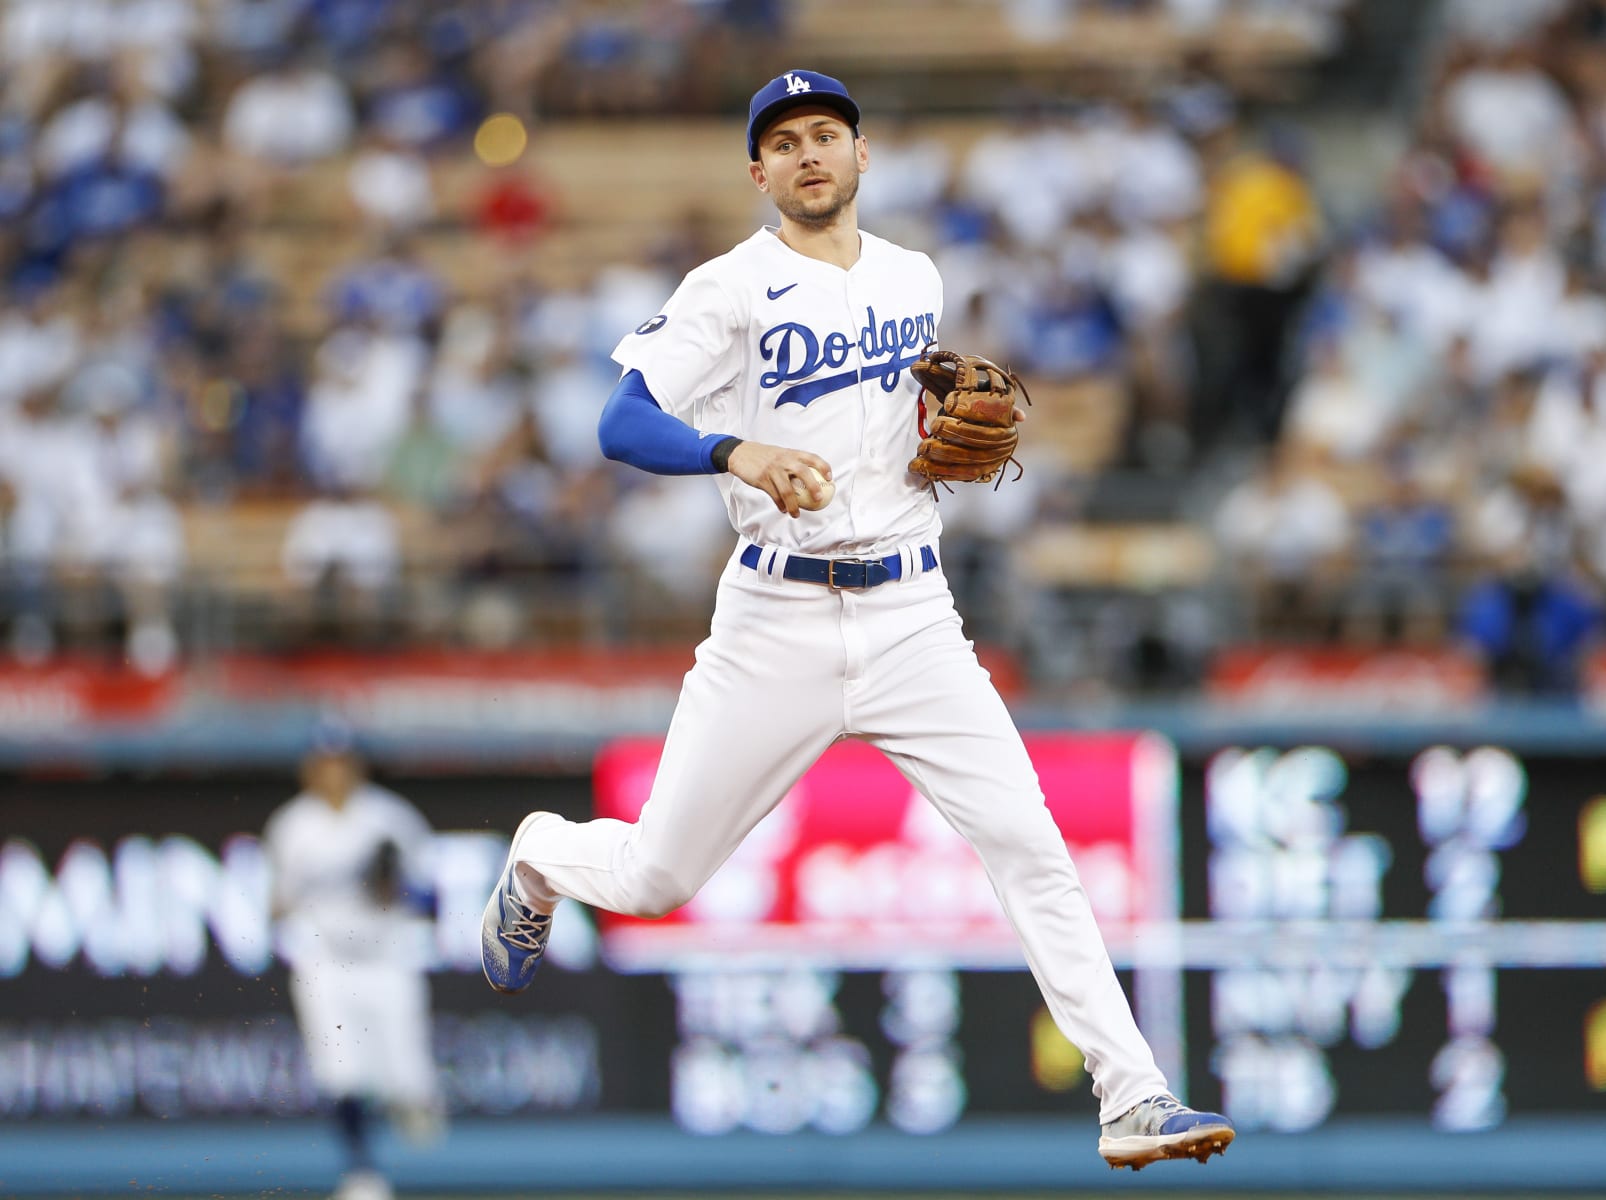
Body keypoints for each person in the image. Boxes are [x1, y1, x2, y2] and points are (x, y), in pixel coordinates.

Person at [479, 69, 1234, 1170]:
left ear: (862, 154)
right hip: (774, 616)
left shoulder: (914, 278)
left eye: (826, 133)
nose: (808, 154)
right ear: (759, 173)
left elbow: (904, 421)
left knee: (1028, 844)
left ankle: (1133, 1096)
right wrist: (733, 450)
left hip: (914, 614)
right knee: (656, 880)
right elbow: (619, 422)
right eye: (783, 143)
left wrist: (933, 413)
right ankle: (542, 856)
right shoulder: (728, 289)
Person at [266, 721, 443, 1200]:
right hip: (326, 961)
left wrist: (396, 887)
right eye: (324, 764)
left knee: (407, 1081)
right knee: (341, 1074)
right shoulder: (292, 826)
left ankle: (414, 1100)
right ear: (309, 769)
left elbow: (432, 896)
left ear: (357, 766)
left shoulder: (389, 818)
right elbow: (276, 904)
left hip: (387, 959)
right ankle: (362, 1174)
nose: (333, 773)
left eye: (341, 763)